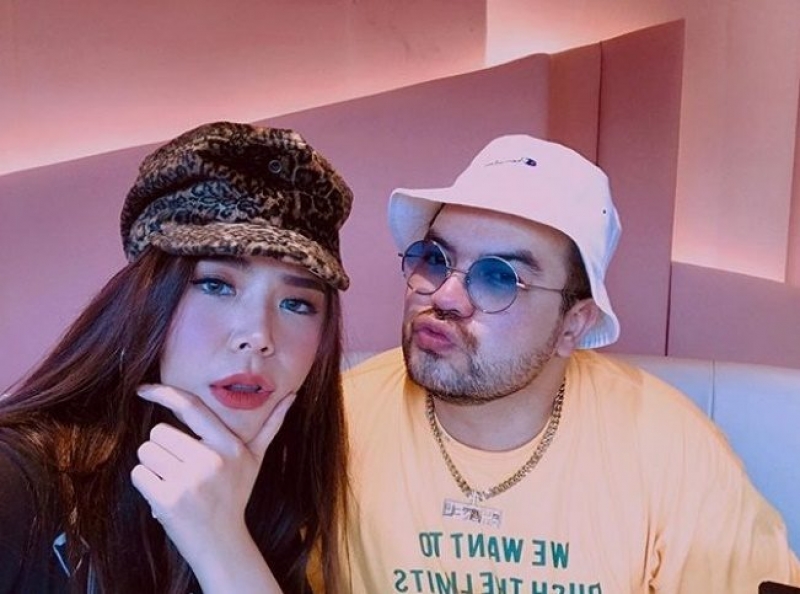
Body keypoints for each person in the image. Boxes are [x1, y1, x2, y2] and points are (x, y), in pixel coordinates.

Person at [336, 135, 800, 592]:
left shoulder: (672, 449)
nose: (445, 296)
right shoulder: (338, 418)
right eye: (435, 260)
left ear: (573, 325)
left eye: (499, 277)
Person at [0, 121, 352, 593]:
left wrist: (223, 543)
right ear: (146, 300)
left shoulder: (268, 491)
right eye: (216, 285)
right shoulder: (19, 480)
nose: (258, 337)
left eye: (297, 304)